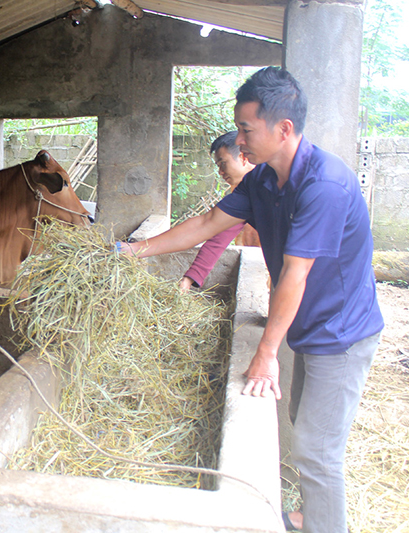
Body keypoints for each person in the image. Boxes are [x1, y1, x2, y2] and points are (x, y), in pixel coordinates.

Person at [119, 66, 383, 533]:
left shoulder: (323, 185)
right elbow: (207, 225)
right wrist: (133, 250)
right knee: (306, 430)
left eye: (246, 129)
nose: (239, 141)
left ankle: (325, 525)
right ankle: (310, 517)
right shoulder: (262, 180)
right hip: (310, 326)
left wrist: (265, 355)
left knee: (318, 453)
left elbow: (295, 276)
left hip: (340, 332)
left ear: (283, 129)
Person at [178, 131, 260, 292]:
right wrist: (190, 278)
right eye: (218, 166)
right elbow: (219, 238)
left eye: (223, 163)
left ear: (243, 157)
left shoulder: (270, 184)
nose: (221, 172)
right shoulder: (240, 195)